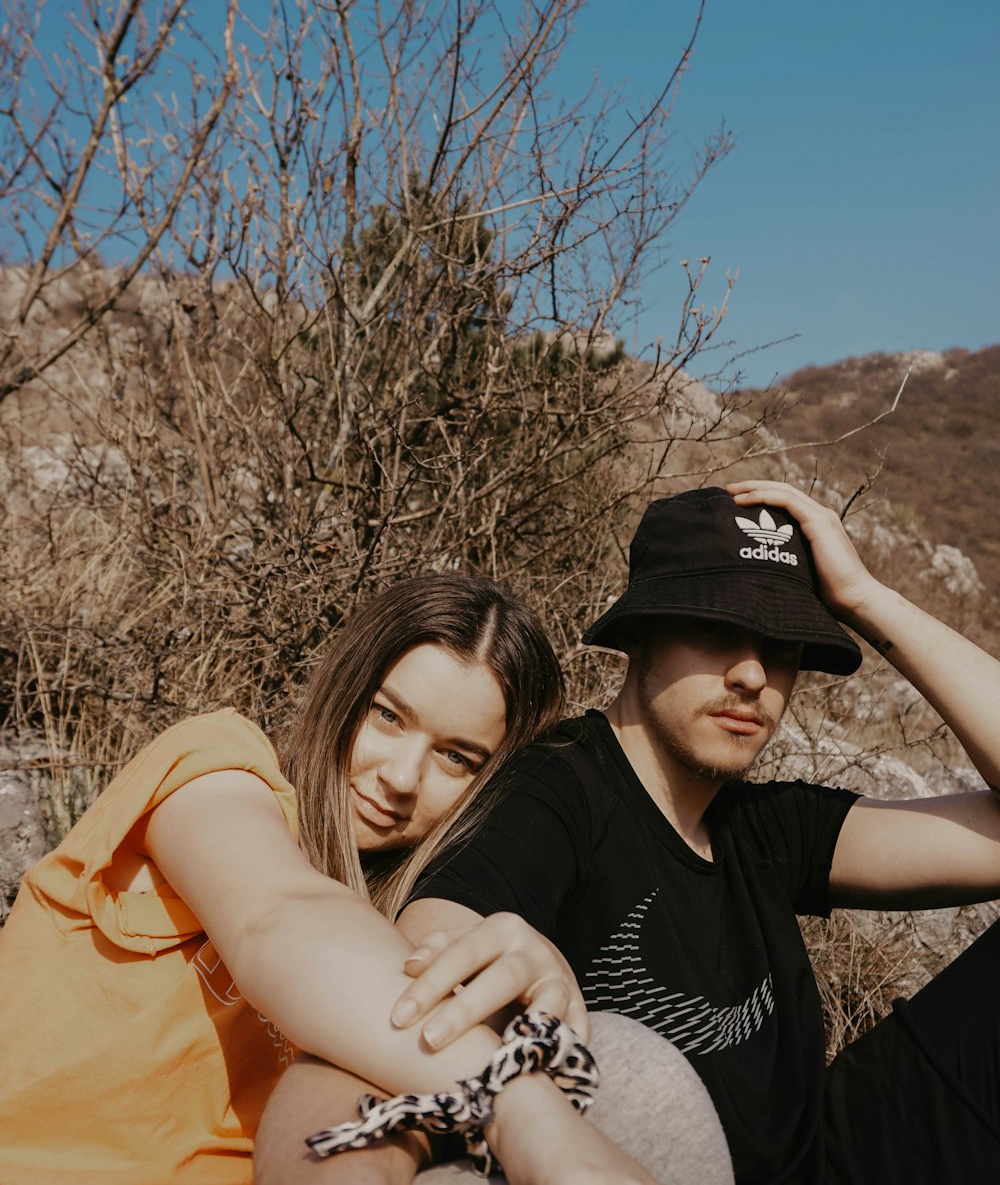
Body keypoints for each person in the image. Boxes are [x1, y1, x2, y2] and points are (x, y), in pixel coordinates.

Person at [260, 481, 1000, 1184]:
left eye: (781, 648)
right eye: (718, 630)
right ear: (641, 634)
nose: (751, 673)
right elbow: (430, 955)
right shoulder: (555, 791)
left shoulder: (770, 826)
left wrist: (866, 599)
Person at [0, 572, 661, 1185]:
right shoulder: (214, 768)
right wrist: (519, 1102)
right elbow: (278, 915)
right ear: (345, 689)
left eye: (456, 758)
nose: (401, 778)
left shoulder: (408, 928)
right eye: (388, 716)